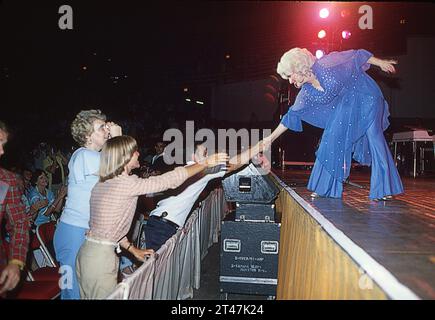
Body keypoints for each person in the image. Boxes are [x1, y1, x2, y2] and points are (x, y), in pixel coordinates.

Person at [75, 135, 229, 299]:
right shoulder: (125, 184)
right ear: (125, 157)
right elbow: (169, 180)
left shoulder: (103, 183)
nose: (138, 154)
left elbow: (109, 228)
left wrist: (133, 250)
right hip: (100, 259)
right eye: (135, 151)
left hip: (88, 254)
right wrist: (204, 163)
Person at [261, 48, 404, 201]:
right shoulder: (306, 93)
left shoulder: (326, 64)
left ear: (298, 67)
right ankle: (326, 188)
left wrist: (381, 63)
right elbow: (291, 116)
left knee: (374, 136)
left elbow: (356, 56)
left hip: (366, 94)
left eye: (290, 75)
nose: (290, 81)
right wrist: (270, 139)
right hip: (348, 104)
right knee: (332, 136)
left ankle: (385, 188)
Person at [143, 142, 265, 251]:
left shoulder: (188, 169)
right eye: (204, 153)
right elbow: (233, 164)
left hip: (160, 224)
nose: (207, 157)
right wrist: (255, 149)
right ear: (193, 157)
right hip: (162, 228)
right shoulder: (202, 171)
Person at [53, 109, 122, 299]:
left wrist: (112, 139)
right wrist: (117, 139)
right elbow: (117, 169)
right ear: (87, 135)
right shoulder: (84, 155)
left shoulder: (96, 156)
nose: (107, 130)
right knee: (72, 292)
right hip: (73, 231)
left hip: (87, 231)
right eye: (101, 128)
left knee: (88, 291)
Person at [0, 121, 30, 296]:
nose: (2, 151)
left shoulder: (6, 181)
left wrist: (16, 261)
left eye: (3, 144)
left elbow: (19, 223)